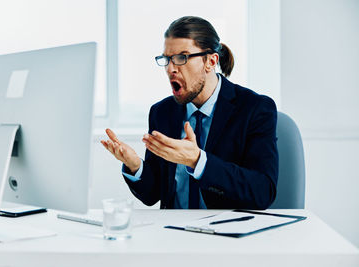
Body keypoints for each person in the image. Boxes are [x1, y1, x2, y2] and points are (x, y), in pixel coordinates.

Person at [101, 16, 278, 209]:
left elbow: (263, 191)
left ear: (210, 61)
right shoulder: (161, 112)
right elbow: (154, 194)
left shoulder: (255, 108)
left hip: (225, 234)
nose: (170, 69)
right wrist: (135, 166)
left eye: (181, 58)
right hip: (173, 233)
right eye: (167, 59)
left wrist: (198, 161)